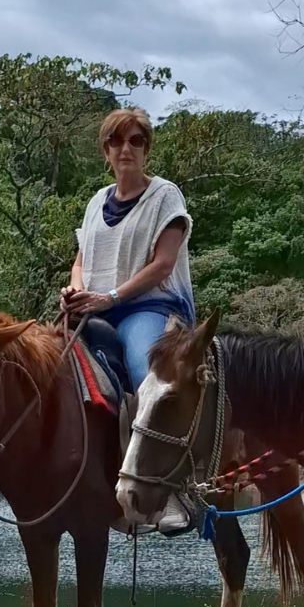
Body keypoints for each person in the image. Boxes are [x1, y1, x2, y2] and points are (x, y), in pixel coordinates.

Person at [62, 107, 195, 534]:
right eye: (116, 141)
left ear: (146, 149)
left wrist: (112, 296)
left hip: (148, 307)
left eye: (135, 140)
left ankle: (174, 490)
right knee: (45, 365)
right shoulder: (95, 202)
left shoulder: (165, 196)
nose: (126, 149)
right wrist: (75, 290)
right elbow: (81, 261)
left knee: (146, 375)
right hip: (95, 308)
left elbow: (163, 264)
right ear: (105, 150)